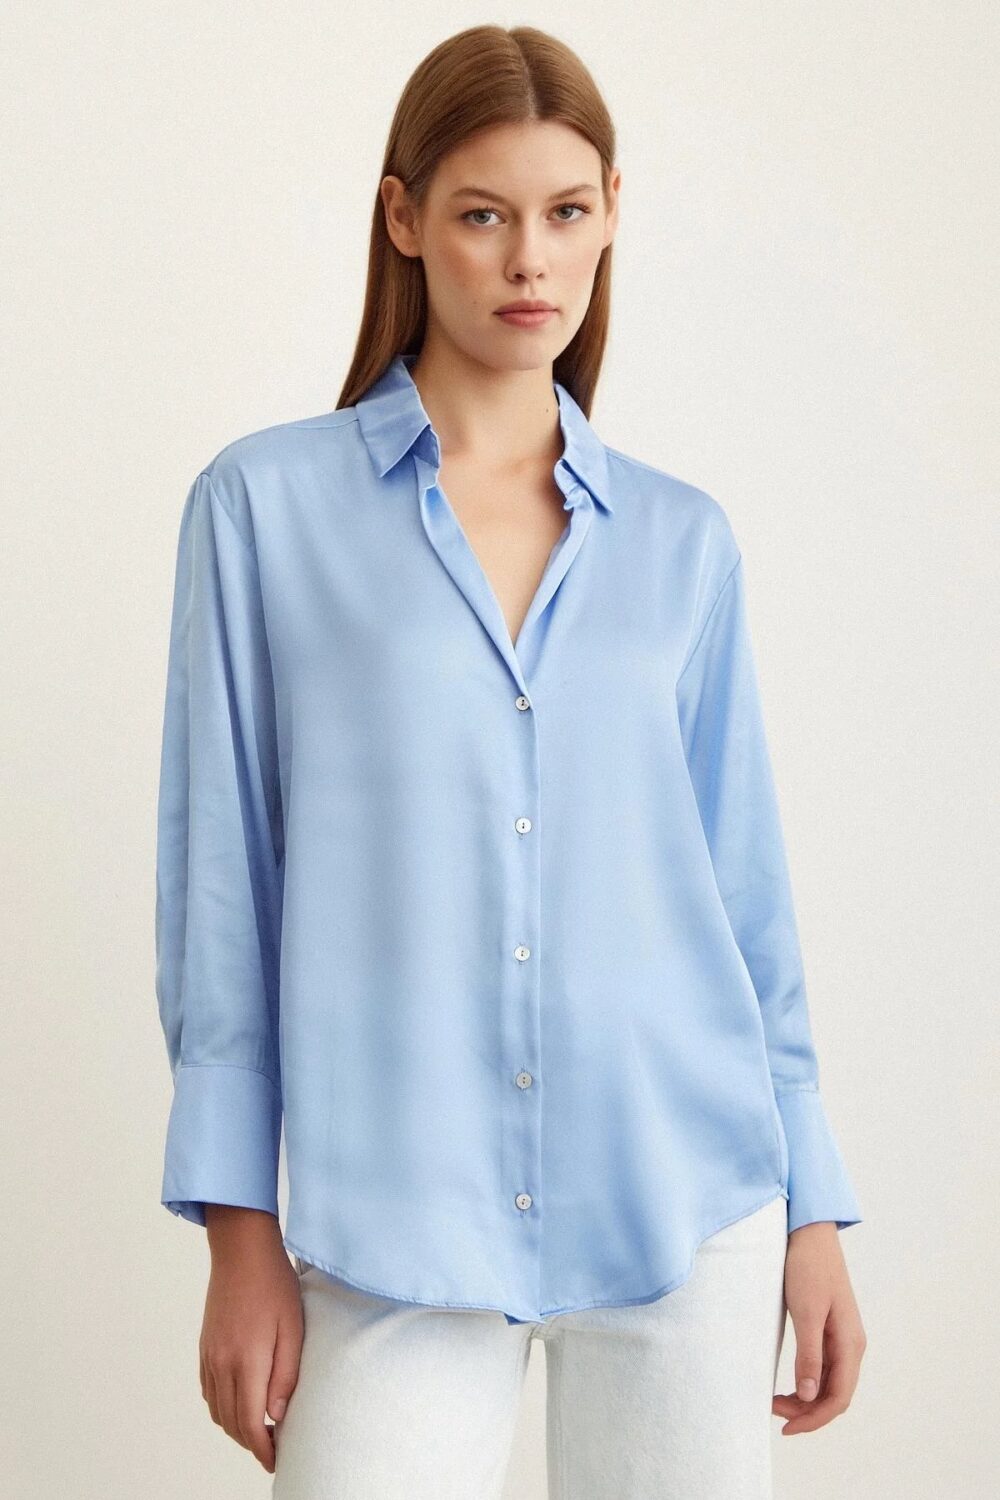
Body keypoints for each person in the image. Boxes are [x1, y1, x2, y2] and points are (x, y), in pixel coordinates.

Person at [153, 23, 867, 1499]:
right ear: (405, 218)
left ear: (611, 215)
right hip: (386, 1225)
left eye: (566, 212)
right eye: (483, 214)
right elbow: (223, 890)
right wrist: (237, 1231)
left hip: (688, 1205)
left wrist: (813, 1206)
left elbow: (744, 899)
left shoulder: (683, 543)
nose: (530, 259)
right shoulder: (262, 511)